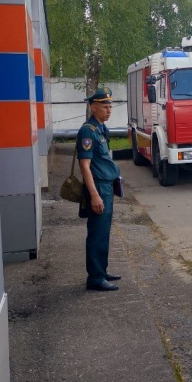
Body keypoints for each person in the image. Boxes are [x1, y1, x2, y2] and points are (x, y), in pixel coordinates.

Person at [77, 85, 122, 292]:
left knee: (103, 232)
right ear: (93, 107)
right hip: (98, 188)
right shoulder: (88, 131)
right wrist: (94, 196)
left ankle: (101, 271)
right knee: (97, 233)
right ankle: (95, 278)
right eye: (105, 106)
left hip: (106, 186)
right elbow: (84, 166)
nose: (109, 110)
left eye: (110, 106)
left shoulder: (101, 129)